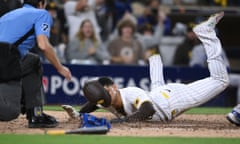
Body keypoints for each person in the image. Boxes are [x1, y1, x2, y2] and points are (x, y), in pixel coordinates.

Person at [62, 12, 229, 122]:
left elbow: (148, 109)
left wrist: (122, 121)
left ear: (114, 87)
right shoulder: (107, 100)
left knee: (221, 80)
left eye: (107, 91)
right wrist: (79, 114)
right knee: (156, 88)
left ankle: (206, 33)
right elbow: (95, 102)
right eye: (104, 94)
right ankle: (154, 59)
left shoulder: (129, 93)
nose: (106, 96)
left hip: (172, 101)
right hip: (159, 96)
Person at [0, 0, 72, 128]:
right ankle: (35, 115)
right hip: (5, 59)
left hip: (7, 58)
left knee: (33, 60)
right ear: (41, 3)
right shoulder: (42, 13)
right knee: (9, 112)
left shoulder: (10, 14)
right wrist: (60, 68)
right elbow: (43, 45)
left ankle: (36, 114)